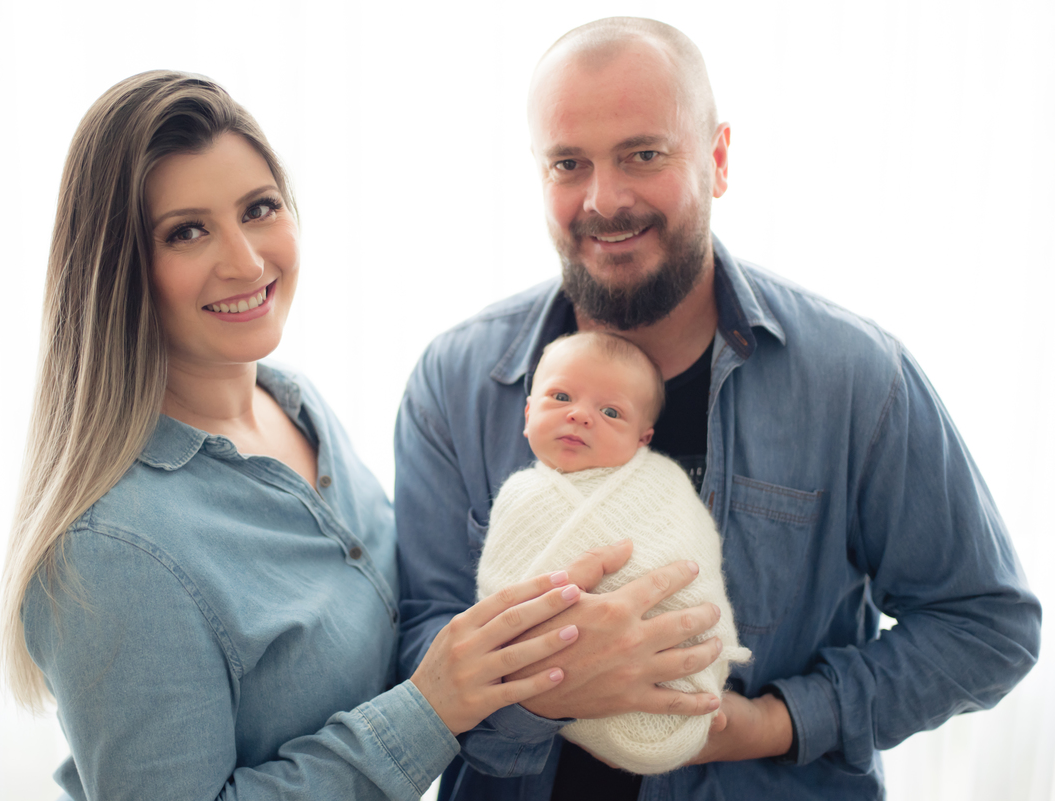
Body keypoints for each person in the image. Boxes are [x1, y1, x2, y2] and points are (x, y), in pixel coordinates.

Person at [393, 16, 1041, 801]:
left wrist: (773, 722)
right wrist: (546, 694)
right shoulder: (454, 381)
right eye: (569, 163)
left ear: (718, 159)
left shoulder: (858, 379)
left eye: (644, 154)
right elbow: (421, 639)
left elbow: (987, 626)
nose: (604, 199)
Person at [0, 70, 640, 801]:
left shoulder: (296, 405)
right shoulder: (110, 550)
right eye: (187, 231)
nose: (246, 261)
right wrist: (429, 709)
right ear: (119, 271)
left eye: (259, 208)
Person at [477, 331, 750, 775]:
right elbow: (495, 599)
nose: (580, 415)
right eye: (561, 396)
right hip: (548, 687)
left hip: (673, 663)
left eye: (610, 412)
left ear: (642, 439)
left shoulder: (664, 484)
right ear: (528, 414)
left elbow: (693, 559)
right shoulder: (519, 495)